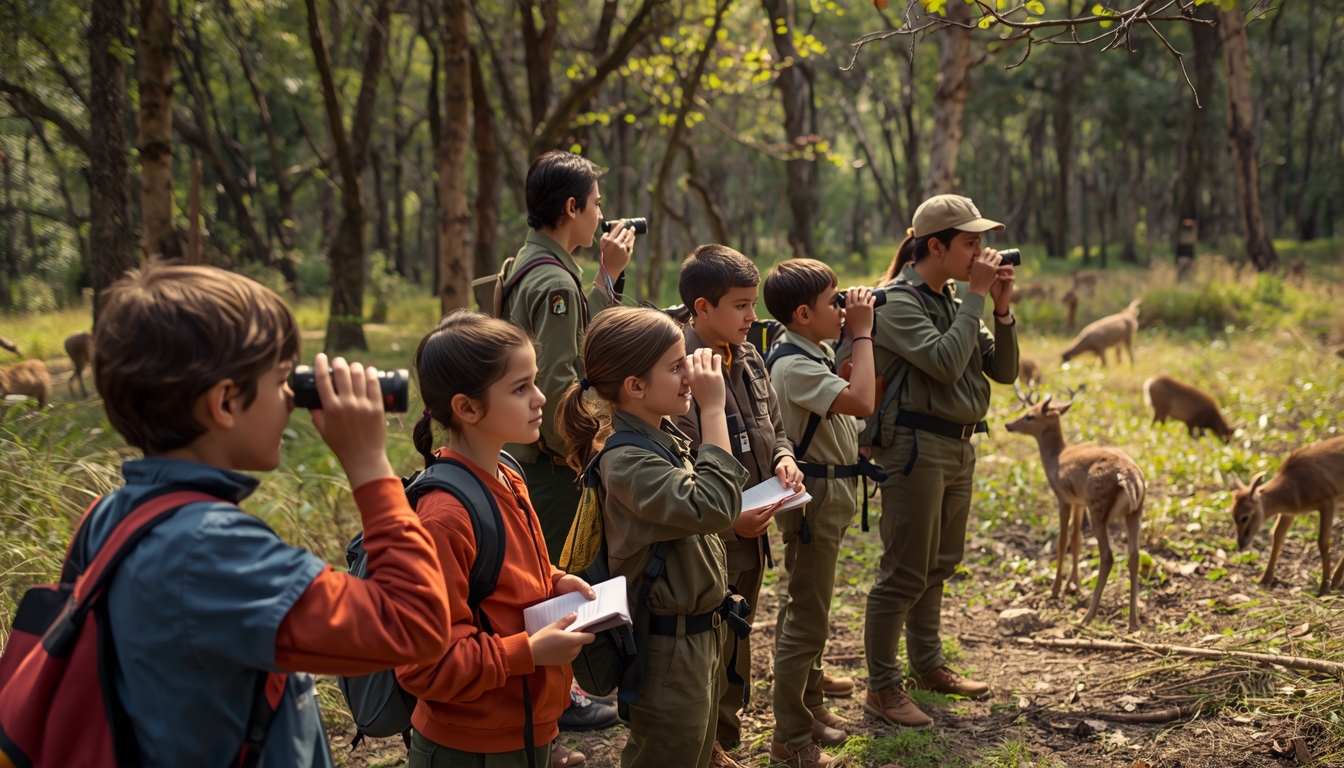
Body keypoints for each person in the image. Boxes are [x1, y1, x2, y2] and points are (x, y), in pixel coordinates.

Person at [80, 261, 451, 767]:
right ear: (225, 403)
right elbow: (418, 626)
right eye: (282, 381)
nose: (291, 399)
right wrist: (369, 466)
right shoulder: (212, 553)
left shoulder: (110, 518)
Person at [396, 311, 598, 768]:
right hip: (468, 748)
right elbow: (425, 665)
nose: (540, 397)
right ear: (467, 408)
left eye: (535, 381)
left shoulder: (508, 473)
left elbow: (505, 574)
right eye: (520, 387)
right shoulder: (444, 519)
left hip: (526, 730)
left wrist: (555, 580)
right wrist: (528, 652)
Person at [554, 307, 747, 768]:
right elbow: (713, 506)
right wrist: (714, 406)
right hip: (667, 651)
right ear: (635, 387)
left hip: (699, 637)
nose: (690, 375)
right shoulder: (627, 463)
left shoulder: (661, 438)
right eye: (676, 366)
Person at [862, 195, 1018, 730]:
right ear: (937, 246)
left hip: (958, 445)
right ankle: (882, 687)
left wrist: (1000, 309)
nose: (982, 254)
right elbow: (947, 367)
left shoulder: (954, 299)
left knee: (940, 564)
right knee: (903, 571)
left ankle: (927, 666)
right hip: (915, 448)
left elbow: (1005, 370)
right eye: (971, 243)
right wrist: (977, 297)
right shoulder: (897, 301)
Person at [500, 150, 634, 735]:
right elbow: (558, 383)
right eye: (596, 204)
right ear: (571, 207)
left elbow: (576, 344)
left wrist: (605, 280)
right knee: (552, 588)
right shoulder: (554, 280)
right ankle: (548, 713)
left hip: (532, 454)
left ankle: (549, 710)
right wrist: (586, 452)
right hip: (551, 464)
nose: (601, 216)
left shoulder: (530, 265)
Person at [670, 244, 805, 766]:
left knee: (735, 641)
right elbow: (679, 467)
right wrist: (730, 520)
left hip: (754, 528)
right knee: (705, 647)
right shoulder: (677, 365)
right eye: (741, 305)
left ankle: (722, 739)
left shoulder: (747, 354)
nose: (754, 315)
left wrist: (785, 460)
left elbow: (773, 422)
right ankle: (704, 747)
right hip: (708, 540)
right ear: (702, 308)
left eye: (753, 303)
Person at [761, 259, 879, 768]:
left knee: (805, 609)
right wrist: (865, 334)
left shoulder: (811, 352)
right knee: (806, 619)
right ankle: (790, 736)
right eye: (836, 302)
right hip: (817, 502)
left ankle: (808, 708)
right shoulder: (796, 364)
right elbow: (864, 402)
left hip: (826, 496)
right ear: (803, 314)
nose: (845, 308)